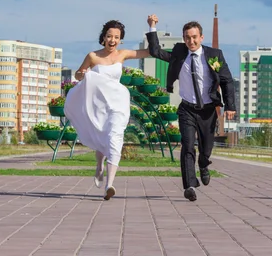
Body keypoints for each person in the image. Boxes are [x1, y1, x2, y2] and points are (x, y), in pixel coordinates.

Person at [145, 14, 236, 201]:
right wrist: (152, 26)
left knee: (206, 148)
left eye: (194, 37)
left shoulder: (214, 56)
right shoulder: (179, 53)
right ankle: (189, 186)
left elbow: (227, 81)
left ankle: (203, 165)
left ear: (201, 37)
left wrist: (230, 106)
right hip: (186, 109)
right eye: (187, 37)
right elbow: (155, 52)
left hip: (208, 110)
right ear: (183, 38)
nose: (191, 41)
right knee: (187, 145)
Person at [64, 20, 150, 200]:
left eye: (117, 37)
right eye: (109, 36)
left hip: (118, 104)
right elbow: (79, 74)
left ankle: (109, 185)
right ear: (103, 37)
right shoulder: (93, 56)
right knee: (102, 140)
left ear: (121, 40)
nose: (112, 40)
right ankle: (99, 166)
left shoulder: (123, 54)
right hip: (98, 106)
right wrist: (83, 74)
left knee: (115, 138)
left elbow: (150, 52)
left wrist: (152, 27)